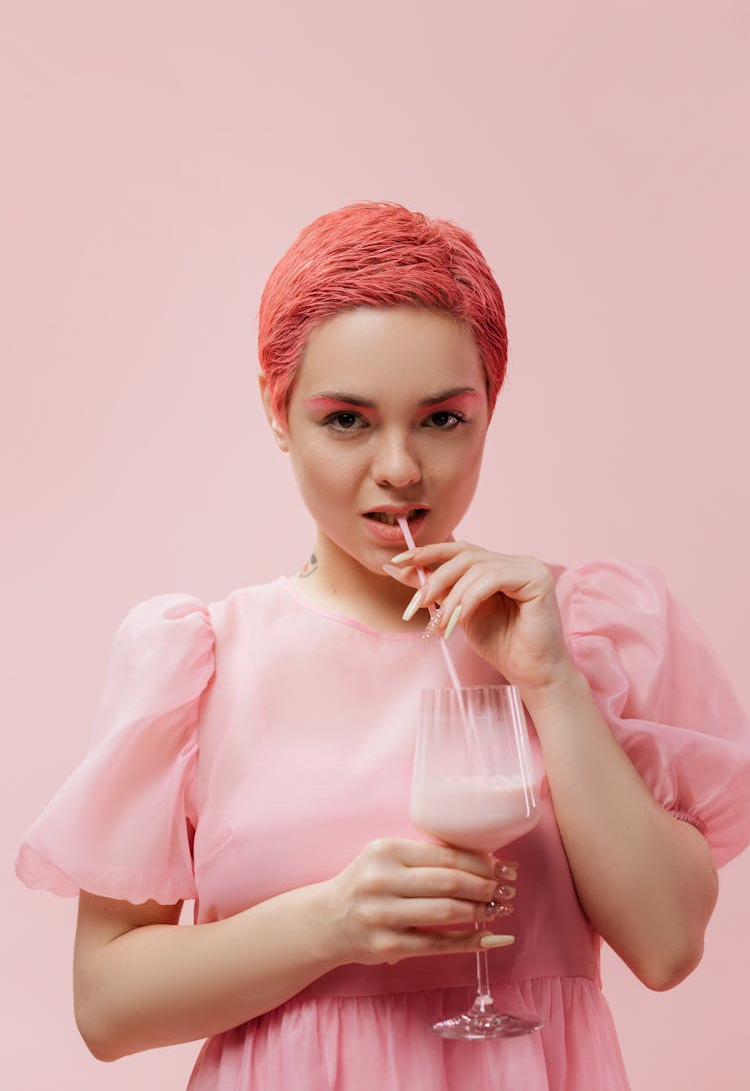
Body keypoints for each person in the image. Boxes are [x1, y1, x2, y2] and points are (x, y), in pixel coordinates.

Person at [16, 200, 750, 1090]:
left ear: (489, 411)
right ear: (277, 409)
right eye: (347, 420)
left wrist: (551, 682)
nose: (400, 468)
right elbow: (106, 1007)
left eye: (443, 419)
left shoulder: (585, 630)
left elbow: (669, 946)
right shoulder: (202, 660)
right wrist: (332, 923)